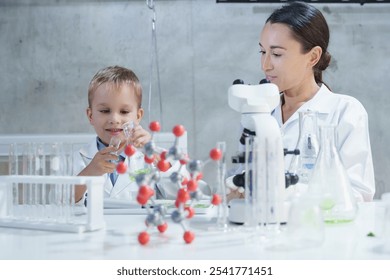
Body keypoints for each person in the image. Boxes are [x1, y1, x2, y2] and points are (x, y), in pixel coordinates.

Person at [227, 1, 375, 202]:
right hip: (263, 229)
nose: (265, 65)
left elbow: (359, 194)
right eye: (262, 52)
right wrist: (235, 189)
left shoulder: (345, 112)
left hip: (316, 231)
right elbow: (241, 174)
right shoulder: (258, 113)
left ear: (313, 56)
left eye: (277, 54)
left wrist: (294, 193)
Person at [73, 65, 152, 204]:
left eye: (124, 112)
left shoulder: (148, 158)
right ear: (90, 116)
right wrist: (90, 172)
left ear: (138, 116)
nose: (115, 120)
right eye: (104, 111)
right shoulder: (77, 160)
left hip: (136, 225)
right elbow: (58, 201)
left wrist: (155, 156)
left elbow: (181, 191)